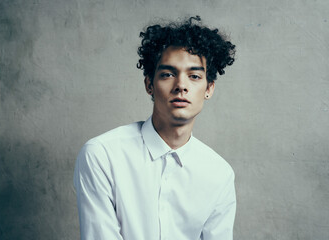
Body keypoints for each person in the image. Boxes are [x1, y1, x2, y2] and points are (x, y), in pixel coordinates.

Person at [74, 16, 236, 240]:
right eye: (168, 74)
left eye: (194, 76)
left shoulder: (220, 173)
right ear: (149, 84)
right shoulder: (102, 155)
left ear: (209, 88)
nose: (181, 86)